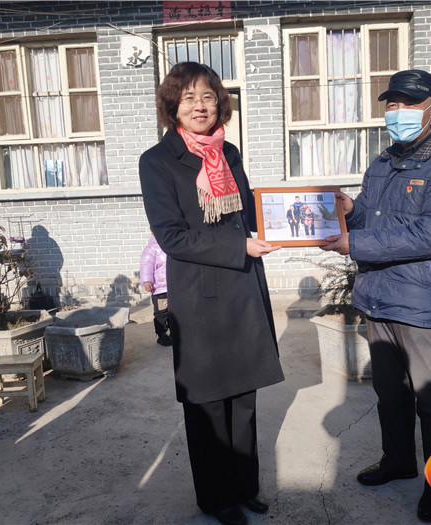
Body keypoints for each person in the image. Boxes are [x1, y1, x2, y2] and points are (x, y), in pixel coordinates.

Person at [322, 69, 431, 523]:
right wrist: (351, 211)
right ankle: (397, 460)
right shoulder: (383, 161)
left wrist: (355, 243)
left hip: (423, 301)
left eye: (410, 104)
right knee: (390, 393)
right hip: (378, 296)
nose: (398, 113)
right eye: (392, 104)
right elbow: (373, 219)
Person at [139, 62, 285, 525]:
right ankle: (216, 498)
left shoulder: (228, 151)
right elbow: (172, 236)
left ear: (220, 103)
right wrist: (240, 247)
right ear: (173, 107)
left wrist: (294, 217)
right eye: (188, 98)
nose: (199, 106)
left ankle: (245, 487)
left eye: (207, 96)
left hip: (243, 288)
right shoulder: (157, 161)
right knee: (207, 405)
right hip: (200, 296)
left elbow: (247, 213)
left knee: (243, 400)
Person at [139, 233, 171, 346]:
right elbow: (146, 265)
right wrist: (147, 281)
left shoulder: (172, 244)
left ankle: (175, 333)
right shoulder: (152, 248)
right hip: (160, 289)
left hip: (173, 287)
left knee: (175, 312)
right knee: (161, 313)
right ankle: (161, 334)